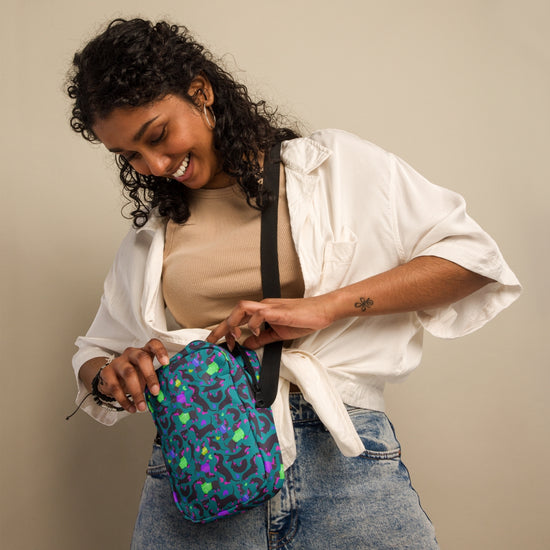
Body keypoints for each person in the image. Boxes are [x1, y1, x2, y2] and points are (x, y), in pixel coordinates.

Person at [67, 18, 521, 550]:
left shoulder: (331, 169)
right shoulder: (153, 236)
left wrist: (327, 307)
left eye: (158, 135)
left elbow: (472, 261)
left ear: (201, 91)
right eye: (131, 156)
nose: (156, 165)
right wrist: (113, 374)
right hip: (202, 468)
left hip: (341, 459)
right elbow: (93, 353)